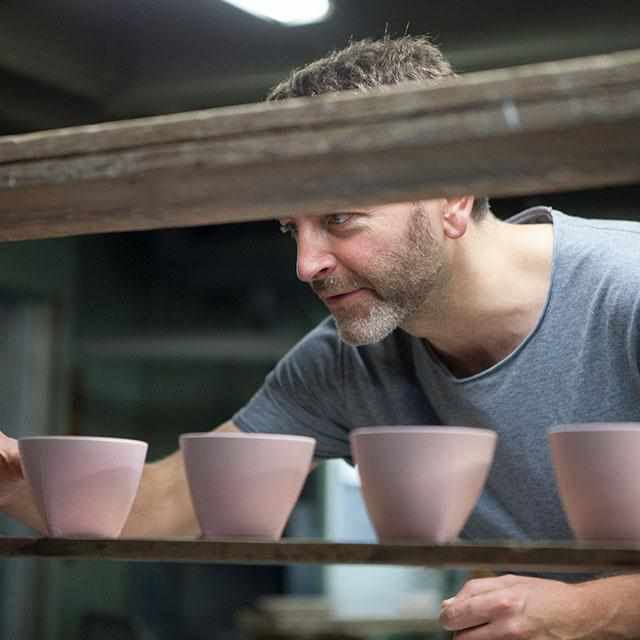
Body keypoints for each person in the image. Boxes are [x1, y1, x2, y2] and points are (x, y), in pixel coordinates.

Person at [2, 34, 640, 638]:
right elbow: (160, 506)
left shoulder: (627, 294)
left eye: (340, 218)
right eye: (292, 228)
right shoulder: (344, 364)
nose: (305, 265)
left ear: (452, 196)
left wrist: (584, 612)